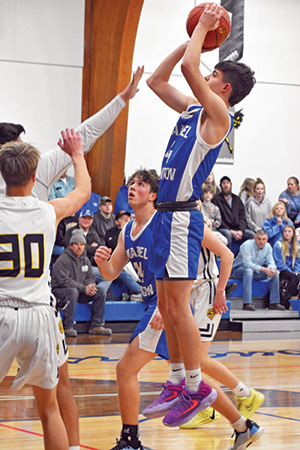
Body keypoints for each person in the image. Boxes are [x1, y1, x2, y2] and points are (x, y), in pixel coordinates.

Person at [95, 169, 263, 450]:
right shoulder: (128, 230)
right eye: (131, 184)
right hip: (154, 305)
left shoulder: (169, 224)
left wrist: (170, 307)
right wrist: (102, 262)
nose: (133, 188)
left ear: (155, 195)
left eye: (141, 184)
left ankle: (130, 440)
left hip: (170, 306)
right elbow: (112, 271)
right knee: (193, 374)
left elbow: (216, 257)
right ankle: (243, 425)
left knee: (126, 369)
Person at [146, 3, 255, 427]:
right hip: (164, 215)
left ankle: (195, 387)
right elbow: (158, 80)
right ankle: (177, 380)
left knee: (178, 307)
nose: (205, 74)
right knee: (168, 306)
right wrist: (192, 35)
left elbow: (192, 67)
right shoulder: (193, 109)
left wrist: (204, 33)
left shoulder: (218, 116)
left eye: (213, 76)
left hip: (181, 218)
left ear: (223, 89)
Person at [0, 128, 90, 450]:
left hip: (2, 314)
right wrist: (77, 154)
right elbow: (82, 192)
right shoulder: (48, 210)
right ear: (36, 175)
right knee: (49, 408)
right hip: (40, 315)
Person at [0, 66, 144, 201]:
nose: (25, 151)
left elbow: (87, 131)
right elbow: (82, 192)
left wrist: (122, 99)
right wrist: (77, 155)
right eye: (20, 147)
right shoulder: (44, 199)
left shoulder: (39, 167)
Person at [51, 228, 112, 337]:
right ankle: (67, 327)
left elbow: (91, 276)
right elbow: (63, 281)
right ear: (71, 246)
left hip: (79, 290)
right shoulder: (63, 259)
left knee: (100, 291)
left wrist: (91, 285)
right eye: (76, 244)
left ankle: (96, 325)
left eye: (82, 244)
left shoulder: (85, 259)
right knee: (72, 292)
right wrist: (84, 288)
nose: (79, 247)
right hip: (60, 291)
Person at [231, 229, 284, 311]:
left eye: (264, 239)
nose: (261, 242)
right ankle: (247, 303)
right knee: (248, 271)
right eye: (259, 239)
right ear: (255, 238)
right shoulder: (247, 245)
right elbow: (246, 263)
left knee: (275, 273)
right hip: (239, 270)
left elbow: (271, 262)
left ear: (266, 239)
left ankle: (274, 302)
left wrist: (271, 269)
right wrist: (263, 269)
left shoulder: (268, 246)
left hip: (256, 271)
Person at [212, 176, 255, 249]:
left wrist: (241, 231)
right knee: (228, 234)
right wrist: (231, 231)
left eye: (228, 183)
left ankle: (246, 256)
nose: (226, 185)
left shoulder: (237, 199)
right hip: (224, 229)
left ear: (231, 185)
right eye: (224, 183)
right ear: (220, 186)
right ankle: (229, 257)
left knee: (252, 235)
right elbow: (218, 219)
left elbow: (242, 217)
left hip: (237, 229)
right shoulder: (216, 200)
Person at [273, 225, 300, 308]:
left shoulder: (297, 246)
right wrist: (291, 272)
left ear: (293, 234)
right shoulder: (278, 245)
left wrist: (295, 271)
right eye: (285, 231)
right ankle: (292, 301)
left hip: (293, 271)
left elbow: (298, 262)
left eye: (289, 231)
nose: (287, 233)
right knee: (294, 278)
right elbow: (279, 263)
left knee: (296, 277)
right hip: (282, 270)